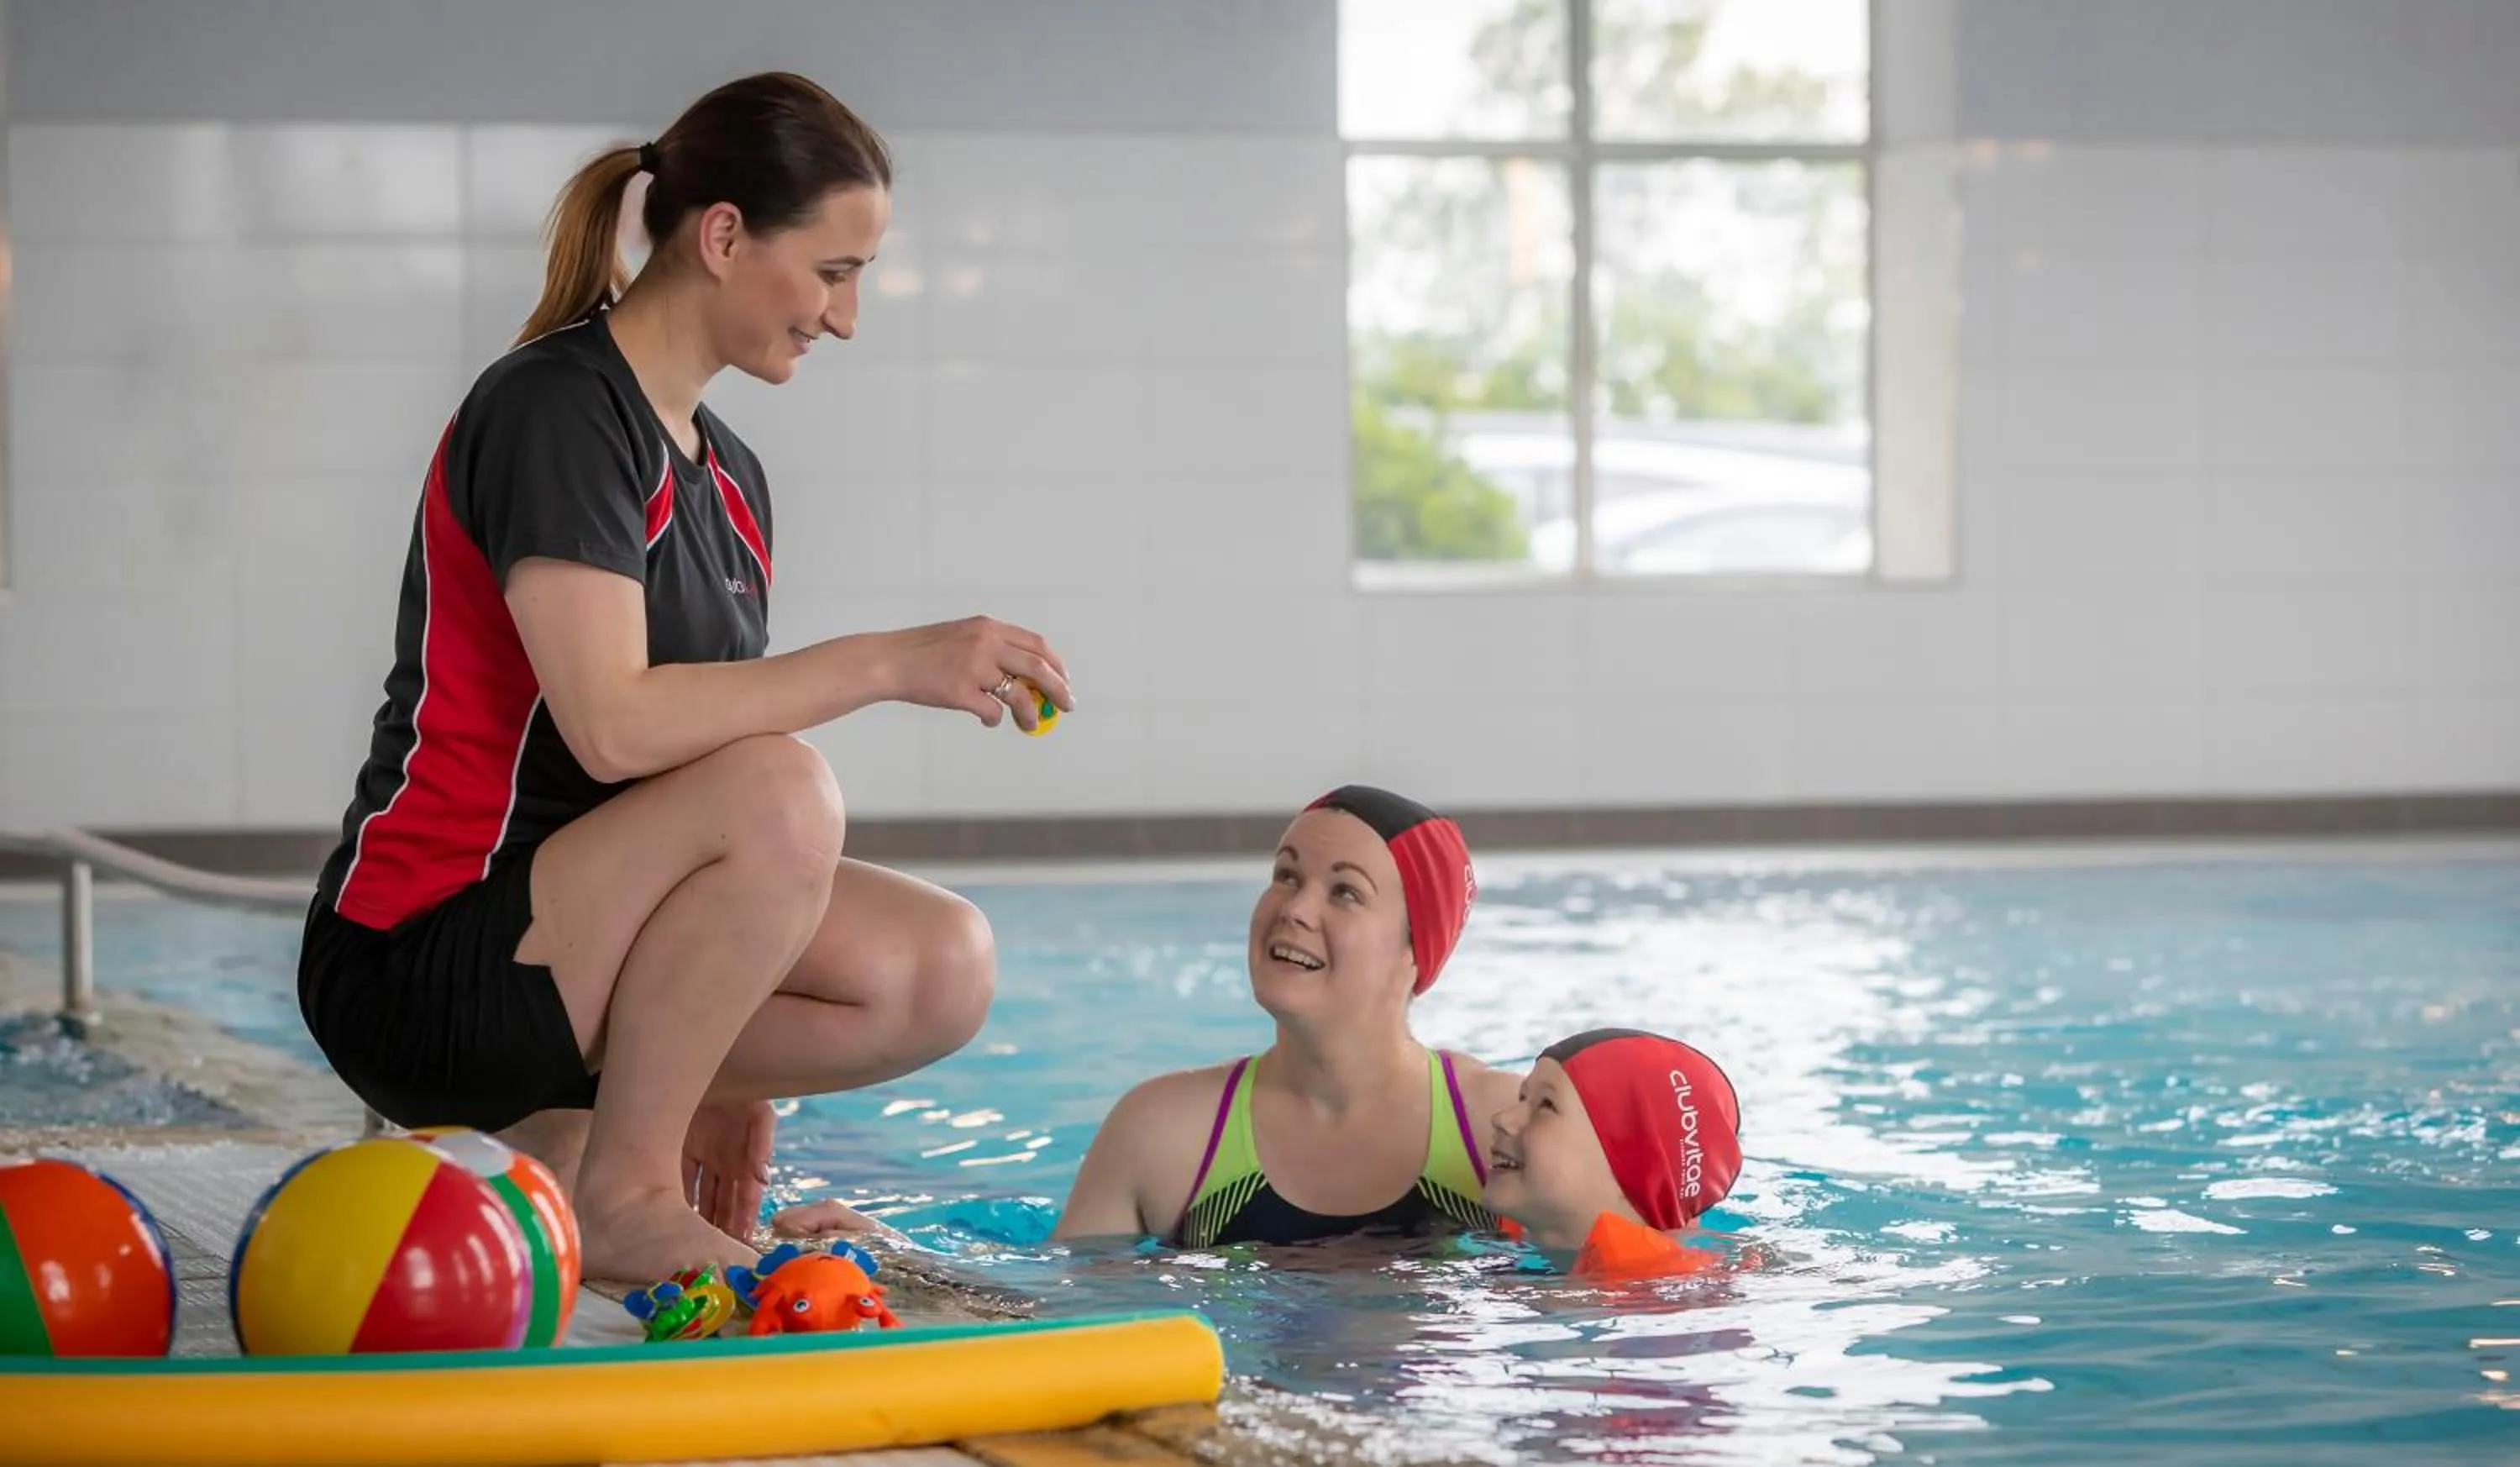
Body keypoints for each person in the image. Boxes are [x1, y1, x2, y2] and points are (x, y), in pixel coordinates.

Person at [295, 71, 1074, 1285]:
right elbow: (613, 728)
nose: (846, 317)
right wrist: (890, 660)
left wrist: (710, 1051)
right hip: (424, 960)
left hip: (569, 957)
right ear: (721, 235)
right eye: (834, 270)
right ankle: (625, 1191)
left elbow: (694, 791)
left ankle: (583, 1142)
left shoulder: (734, 480)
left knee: (941, 964)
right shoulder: (559, 408)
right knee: (785, 789)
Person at [1052, 786, 1521, 1247]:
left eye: (1346, 892)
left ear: (1417, 951)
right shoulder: (1161, 1131)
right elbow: (1062, 1313)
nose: (1295, 909)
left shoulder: (1504, 1128)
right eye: (1286, 876)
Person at [1483, 1028, 1743, 1280]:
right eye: (1522, 1097)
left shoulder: (1654, 1293)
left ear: (1636, 1171)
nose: (1502, 1118)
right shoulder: (1500, 1228)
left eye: (1547, 1105)